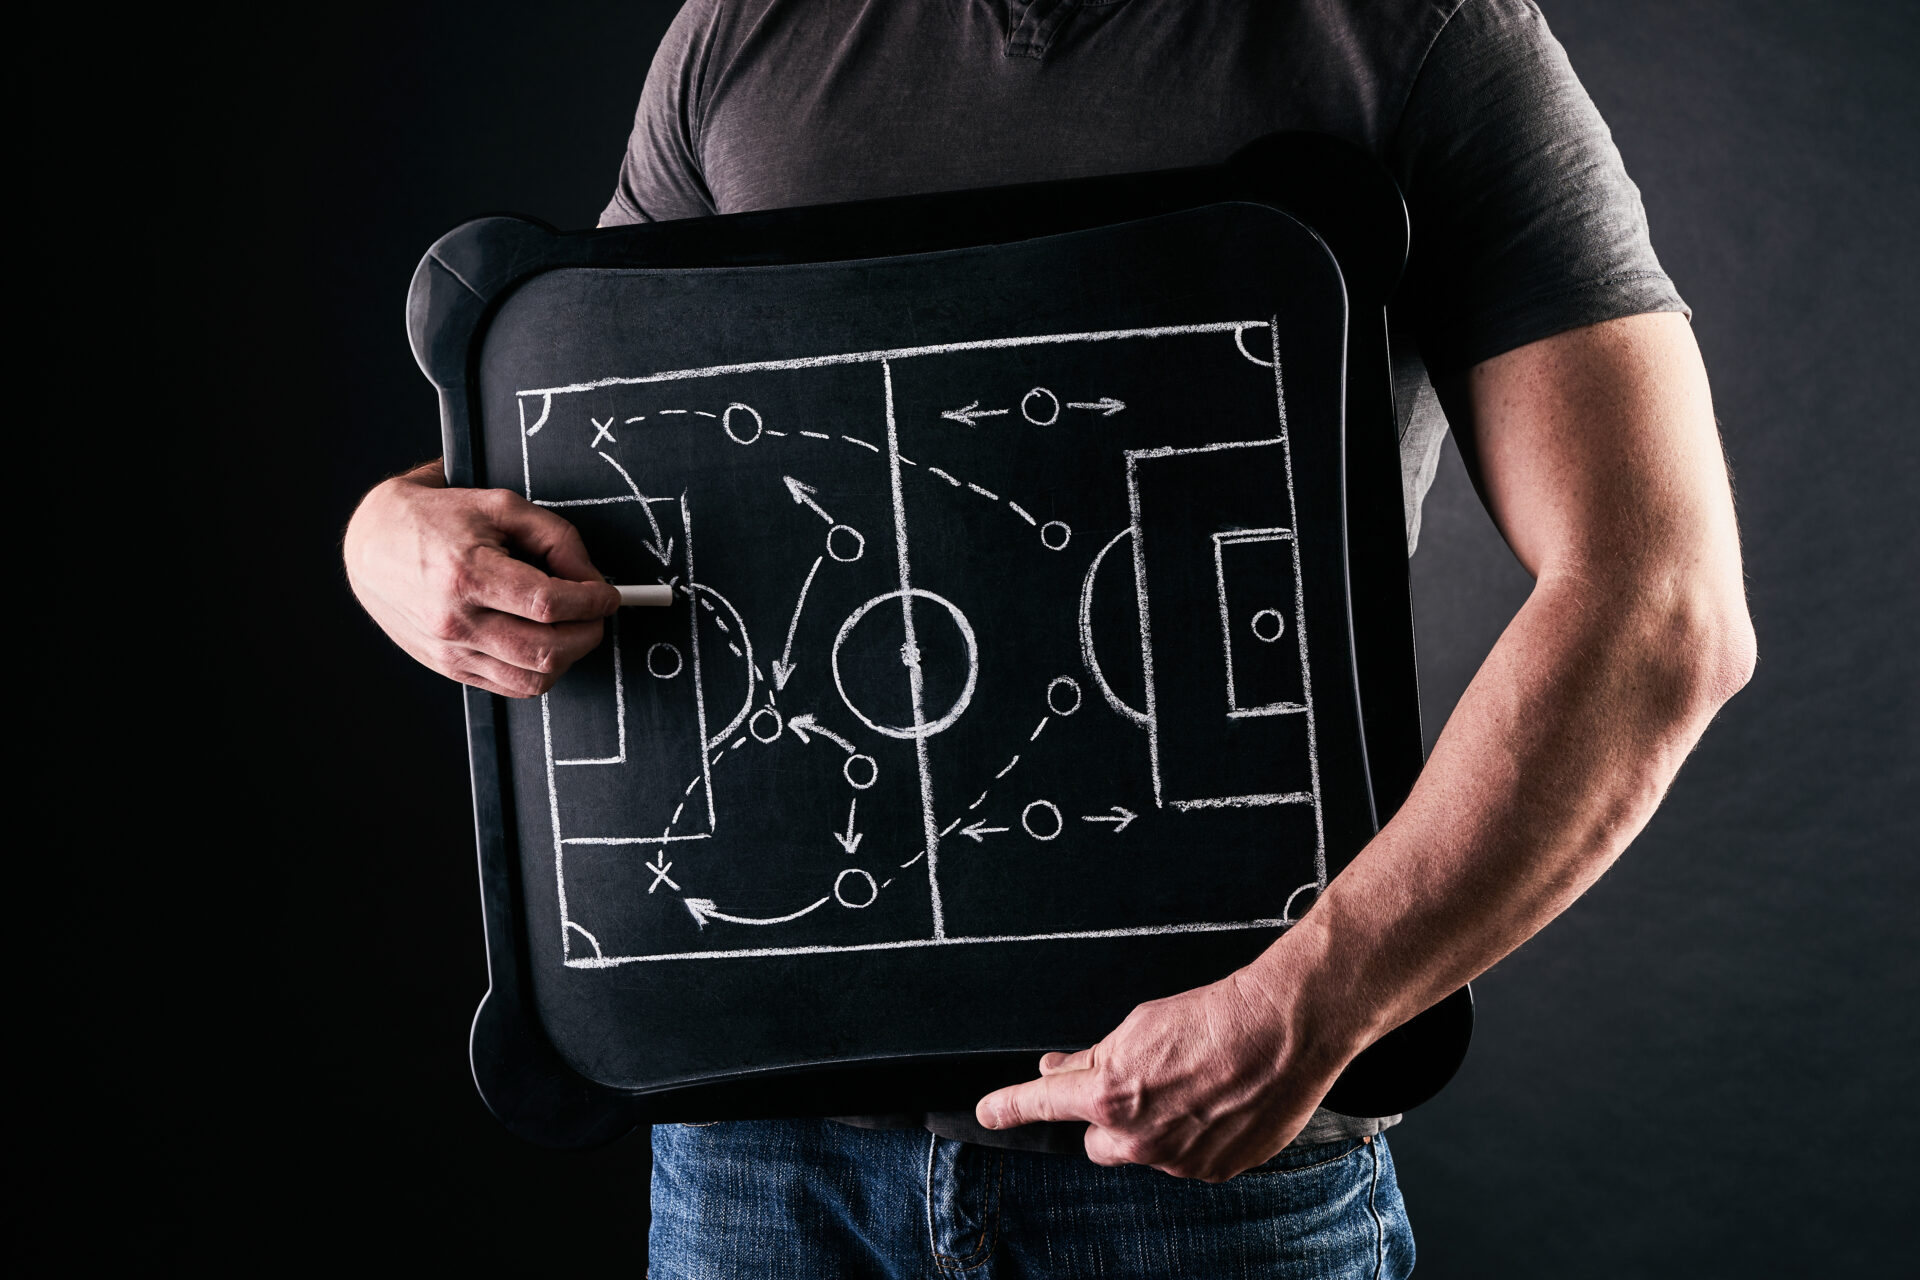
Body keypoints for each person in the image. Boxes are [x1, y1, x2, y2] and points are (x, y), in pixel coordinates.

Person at [344, 1, 1756, 1274]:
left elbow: (1660, 608)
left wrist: (1313, 1006)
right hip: (759, 1179)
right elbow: (579, 446)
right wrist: (389, 540)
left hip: (1204, 1180)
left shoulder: (1419, 40)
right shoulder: (745, 35)